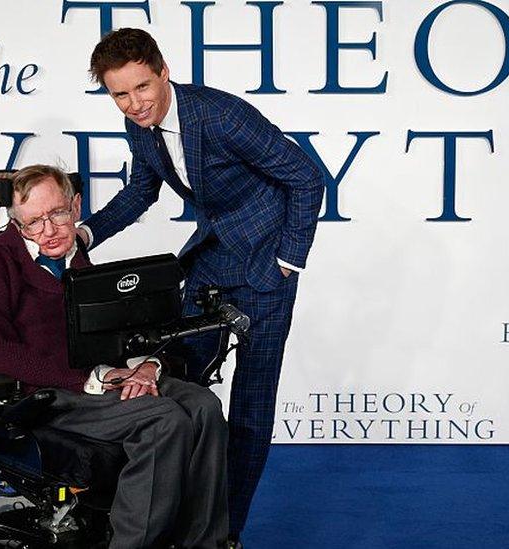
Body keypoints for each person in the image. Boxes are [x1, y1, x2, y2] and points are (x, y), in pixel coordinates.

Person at [78, 28, 325, 547]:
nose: (135, 103)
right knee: (179, 375)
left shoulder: (221, 115)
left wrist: (288, 260)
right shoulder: (141, 128)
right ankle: (172, 510)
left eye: (142, 88)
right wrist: (88, 231)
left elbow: (305, 177)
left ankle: (224, 533)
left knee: (251, 406)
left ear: (163, 71)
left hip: (265, 264)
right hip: (212, 256)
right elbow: (141, 191)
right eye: (120, 94)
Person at [0, 164, 229, 549]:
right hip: (46, 393)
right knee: (164, 420)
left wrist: (146, 366)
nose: (48, 231)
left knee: (203, 405)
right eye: (33, 222)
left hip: (97, 377)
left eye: (57, 214)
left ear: (76, 207)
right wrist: (92, 380)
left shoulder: (75, 258)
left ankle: (203, 543)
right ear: (16, 224)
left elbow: (110, 332)